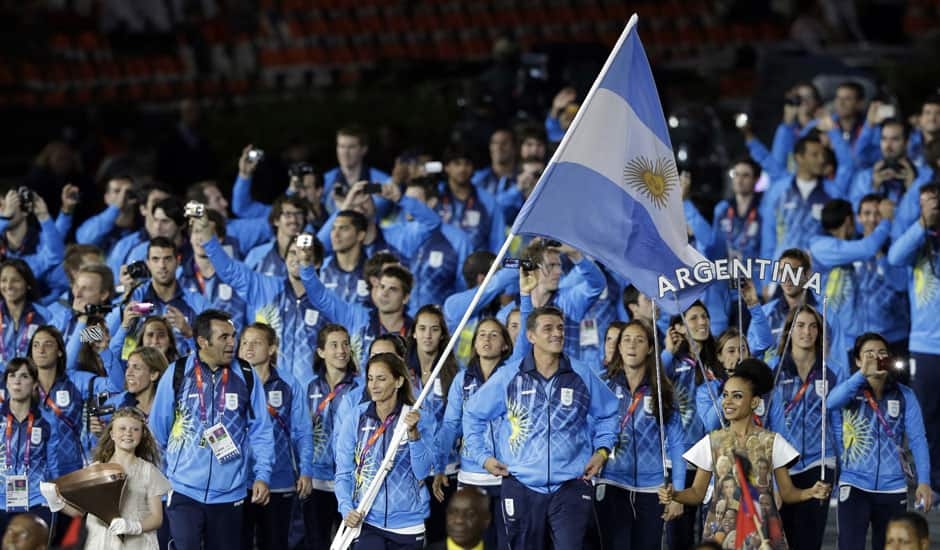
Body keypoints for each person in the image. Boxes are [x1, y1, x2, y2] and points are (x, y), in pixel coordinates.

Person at [463, 306, 618, 549]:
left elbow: (609, 413)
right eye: (548, 328)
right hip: (521, 485)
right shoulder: (509, 376)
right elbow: (472, 414)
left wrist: (602, 451)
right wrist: (483, 457)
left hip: (571, 485)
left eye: (560, 328)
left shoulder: (581, 374)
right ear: (531, 336)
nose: (557, 333)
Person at [658, 359, 831, 549]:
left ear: (754, 402)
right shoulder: (711, 442)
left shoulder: (773, 442)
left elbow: (787, 493)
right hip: (721, 535)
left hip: (762, 533)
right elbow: (698, 493)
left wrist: (811, 492)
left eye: (737, 396)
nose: (728, 402)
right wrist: (675, 494)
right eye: (725, 395)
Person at [148, 309, 274, 550]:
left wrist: (262, 475)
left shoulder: (246, 375)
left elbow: (261, 431)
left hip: (230, 493)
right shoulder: (177, 373)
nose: (232, 343)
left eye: (233, 336)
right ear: (203, 341)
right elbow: (157, 432)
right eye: (223, 337)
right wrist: (164, 482)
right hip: (183, 490)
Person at [828, 333, 932, 550]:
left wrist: (924, 481)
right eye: (869, 354)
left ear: (890, 359)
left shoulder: (905, 395)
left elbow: (918, 440)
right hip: (854, 485)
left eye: (882, 353)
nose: (876, 358)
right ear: (857, 361)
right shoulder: (850, 391)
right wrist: (861, 376)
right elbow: (830, 403)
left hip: (892, 489)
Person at [596, 320, 686, 549]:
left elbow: (676, 443)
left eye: (639, 340)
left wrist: (677, 492)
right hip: (612, 482)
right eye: (626, 339)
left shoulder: (662, 391)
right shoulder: (603, 385)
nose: (632, 345)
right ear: (618, 347)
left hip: (651, 489)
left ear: (649, 348)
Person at [334, 353, 433, 549]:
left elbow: (422, 472)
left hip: (408, 525)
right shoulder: (356, 417)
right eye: (370, 379)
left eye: (381, 378)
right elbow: (343, 473)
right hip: (368, 520)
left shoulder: (418, 417)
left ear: (398, 382)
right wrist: (346, 509)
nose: (374, 385)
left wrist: (414, 434)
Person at [436, 318, 519, 550]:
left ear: (505, 345)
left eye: (494, 335)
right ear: (474, 344)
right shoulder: (462, 380)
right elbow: (450, 426)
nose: (486, 339)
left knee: (506, 543)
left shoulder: (514, 377)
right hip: (471, 476)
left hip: (507, 475)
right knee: (471, 543)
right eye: (482, 334)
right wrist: (441, 465)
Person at [765, 305, 838, 550]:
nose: (807, 331)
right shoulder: (773, 370)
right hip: (782, 465)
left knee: (810, 539)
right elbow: (764, 423)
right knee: (782, 540)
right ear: (789, 330)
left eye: (813, 326)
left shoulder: (832, 372)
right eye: (800, 325)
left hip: (820, 463)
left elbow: (838, 421)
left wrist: (840, 464)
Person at [238, 322, 313, 550]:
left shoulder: (289, 384)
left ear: (271, 348)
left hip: (278, 482)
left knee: (274, 544)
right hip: (237, 482)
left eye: (256, 342)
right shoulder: (229, 383)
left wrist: (306, 469)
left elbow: (302, 431)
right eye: (244, 343)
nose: (248, 348)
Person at [887, 183, 940, 492]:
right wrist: (923, 224)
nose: (930, 208)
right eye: (924, 204)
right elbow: (894, 256)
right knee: (927, 418)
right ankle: (930, 483)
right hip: (925, 345)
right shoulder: (917, 240)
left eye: (934, 203)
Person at [810, 198, 893, 378]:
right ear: (849, 221)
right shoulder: (820, 246)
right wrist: (886, 221)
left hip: (853, 338)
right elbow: (867, 248)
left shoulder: (846, 247)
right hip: (832, 340)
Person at [72, 407, 170, 549]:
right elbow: (79, 510)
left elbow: (157, 518)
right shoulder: (96, 470)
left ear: (142, 434)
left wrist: (134, 526)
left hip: (136, 544)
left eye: (135, 429)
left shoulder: (149, 472)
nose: (128, 433)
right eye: (122, 428)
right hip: (101, 542)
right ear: (112, 434)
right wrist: (57, 500)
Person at [301, 324, 361, 550]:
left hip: (350, 481)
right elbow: (299, 432)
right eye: (334, 345)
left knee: (349, 544)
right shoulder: (307, 385)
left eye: (345, 344)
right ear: (321, 352)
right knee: (316, 543)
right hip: (316, 480)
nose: (341, 350)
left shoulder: (361, 387)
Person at [0, 359, 56, 533]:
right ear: (6, 382)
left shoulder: (47, 421)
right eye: (12, 375)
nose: (17, 381)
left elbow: (54, 466)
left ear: (34, 384)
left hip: (36, 501)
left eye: (24, 376)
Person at [0, 259, 49, 363]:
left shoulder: (44, 316)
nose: (8, 286)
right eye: (3, 280)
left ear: (28, 284)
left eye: (16, 280)